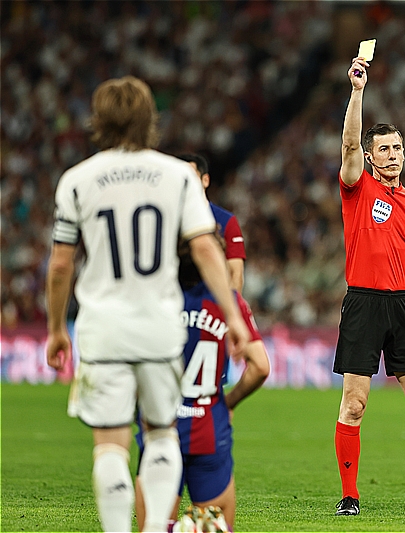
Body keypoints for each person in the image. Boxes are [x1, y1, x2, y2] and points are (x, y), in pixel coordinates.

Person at [45, 76, 251, 533]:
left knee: (111, 445)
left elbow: (60, 265)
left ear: (99, 120)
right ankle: (157, 525)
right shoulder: (176, 176)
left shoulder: (77, 180)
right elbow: (204, 248)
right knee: (160, 435)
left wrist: (57, 328)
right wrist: (233, 315)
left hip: (102, 328)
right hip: (160, 325)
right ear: (148, 119)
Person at [332, 55, 405, 517]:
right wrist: (357, 91)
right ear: (370, 156)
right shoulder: (358, 187)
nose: (394, 154)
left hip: (404, 306)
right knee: (355, 405)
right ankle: (350, 495)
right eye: (384, 149)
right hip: (363, 303)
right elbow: (347, 144)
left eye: (398, 148)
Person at [134, 236, 271, 531]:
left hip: (159, 428)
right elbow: (260, 367)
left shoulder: (151, 298)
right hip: (209, 430)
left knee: (155, 526)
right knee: (214, 527)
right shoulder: (229, 303)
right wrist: (227, 402)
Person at [178, 153, 247, 294]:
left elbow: (235, 273)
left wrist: (229, 306)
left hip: (210, 301)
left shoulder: (225, 220)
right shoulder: (170, 219)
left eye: (190, 177)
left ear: (205, 180)